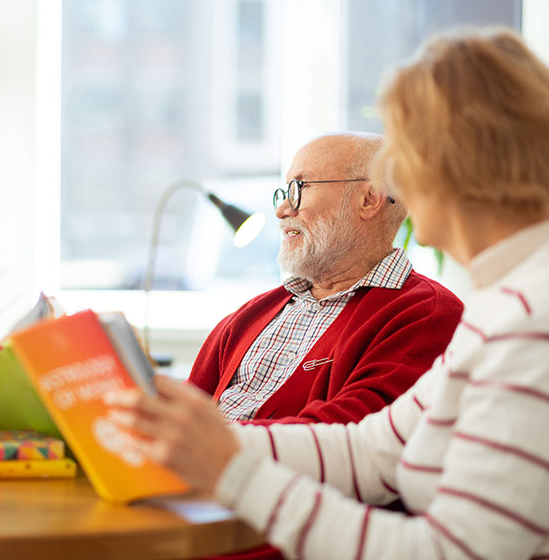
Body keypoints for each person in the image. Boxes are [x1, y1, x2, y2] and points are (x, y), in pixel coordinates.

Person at [107, 27, 549, 559]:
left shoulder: (530, 319)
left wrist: (233, 470)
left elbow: (451, 553)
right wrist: (207, 440)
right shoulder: (502, 303)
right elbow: (373, 450)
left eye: (404, 153)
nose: (396, 179)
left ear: (456, 161)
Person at [191, 131, 462, 426]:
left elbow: (352, 433)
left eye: (300, 187)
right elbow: (183, 411)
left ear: (369, 200)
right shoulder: (249, 316)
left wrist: (214, 440)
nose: (282, 210)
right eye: (284, 192)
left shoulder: (429, 315)